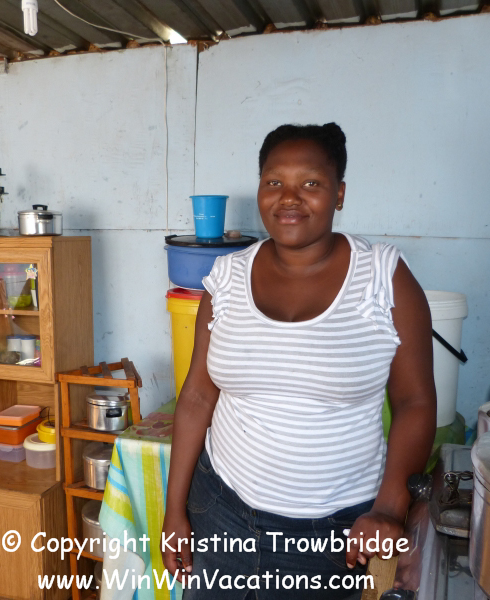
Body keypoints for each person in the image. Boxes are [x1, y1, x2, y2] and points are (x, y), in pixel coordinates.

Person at [161, 123, 436, 599]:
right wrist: (173, 511)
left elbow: (415, 402)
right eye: (274, 182)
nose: (289, 197)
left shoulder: (384, 277)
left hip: (331, 536)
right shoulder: (226, 277)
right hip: (220, 511)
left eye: (310, 182)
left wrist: (390, 507)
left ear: (339, 194)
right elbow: (197, 397)